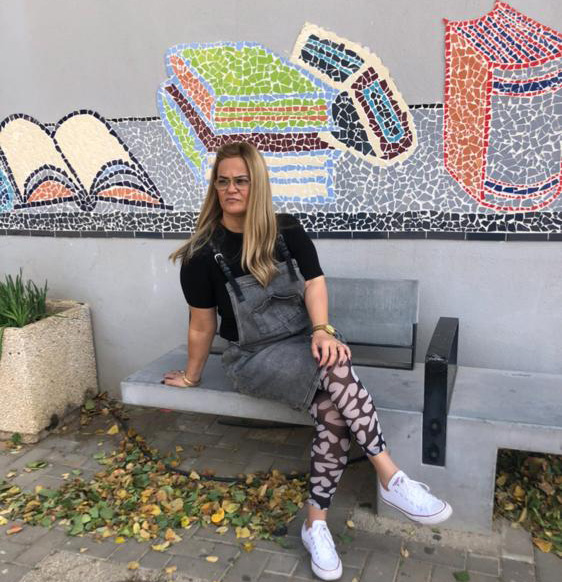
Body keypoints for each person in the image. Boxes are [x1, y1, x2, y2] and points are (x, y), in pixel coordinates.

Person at [164, 142, 452, 581]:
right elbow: (202, 326)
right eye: (222, 181)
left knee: (334, 409)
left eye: (241, 180)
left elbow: (315, 281)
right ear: (214, 187)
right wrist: (191, 375)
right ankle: (391, 477)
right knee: (335, 365)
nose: (231, 189)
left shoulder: (286, 230)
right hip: (254, 357)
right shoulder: (202, 254)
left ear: (258, 183)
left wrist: (321, 329)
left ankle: (315, 525)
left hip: (304, 341)